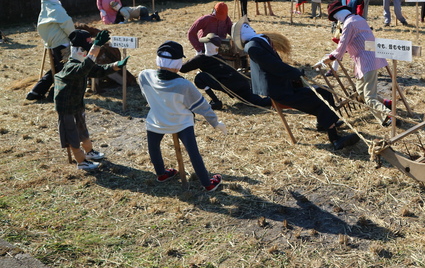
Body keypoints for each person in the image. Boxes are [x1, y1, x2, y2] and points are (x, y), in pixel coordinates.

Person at [233, 17, 360, 150]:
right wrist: (296, 73)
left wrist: (295, 75)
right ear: (242, 35)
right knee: (319, 100)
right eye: (245, 27)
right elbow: (275, 66)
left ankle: (325, 123)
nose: (250, 27)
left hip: (285, 86)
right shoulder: (253, 47)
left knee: (325, 91)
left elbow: (276, 65)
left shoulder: (258, 42)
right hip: (280, 92)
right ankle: (335, 139)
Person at [138, 40, 227, 192]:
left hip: (156, 119)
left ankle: (161, 174)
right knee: (193, 152)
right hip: (181, 122)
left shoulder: (144, 75)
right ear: (178, 63)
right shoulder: (183, 85)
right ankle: (207, 183)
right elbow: (202, 106)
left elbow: (146, 95)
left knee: (153, 147)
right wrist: (215, 122)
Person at [54, 29, 128, 170]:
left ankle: (89, 152)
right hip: (66, 106)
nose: (88, 53)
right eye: (86, 50)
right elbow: (85, 68)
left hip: (77, 102)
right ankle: (81, 161)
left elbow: (98, 70)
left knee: (82, 127)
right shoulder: (72, 66)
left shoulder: (82, 65)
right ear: (79, 50)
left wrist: (116, 65)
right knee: (72, 132)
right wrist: (96, 47)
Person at [316, 1, 390, 123]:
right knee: (360, 91)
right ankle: (385, 102)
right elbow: (356, 40)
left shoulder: (349, 24)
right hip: (369, 58)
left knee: (369, 97)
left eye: (336, 18)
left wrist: (325, 60)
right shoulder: (359, 19)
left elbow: (341, 48)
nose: (337, 20)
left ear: (338, 15)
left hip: (366, 61)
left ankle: (387, 116)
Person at [180, 33, 271, 110]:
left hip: (231, 86)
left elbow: (182, 69)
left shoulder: (200, 58)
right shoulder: (219, 57)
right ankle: (274, 99)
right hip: (240, 82)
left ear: (207, 45)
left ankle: (216, 101)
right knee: (258, 101)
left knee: (200, 77)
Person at [26, 0, 76, 101]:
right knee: (64, 69)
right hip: (62, 43)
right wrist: (74, 37)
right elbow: (67, 24)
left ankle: (36, 91)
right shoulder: (56, 8)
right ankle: (56, 93)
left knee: (56, 67)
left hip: (52, 43)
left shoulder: (45, 8)